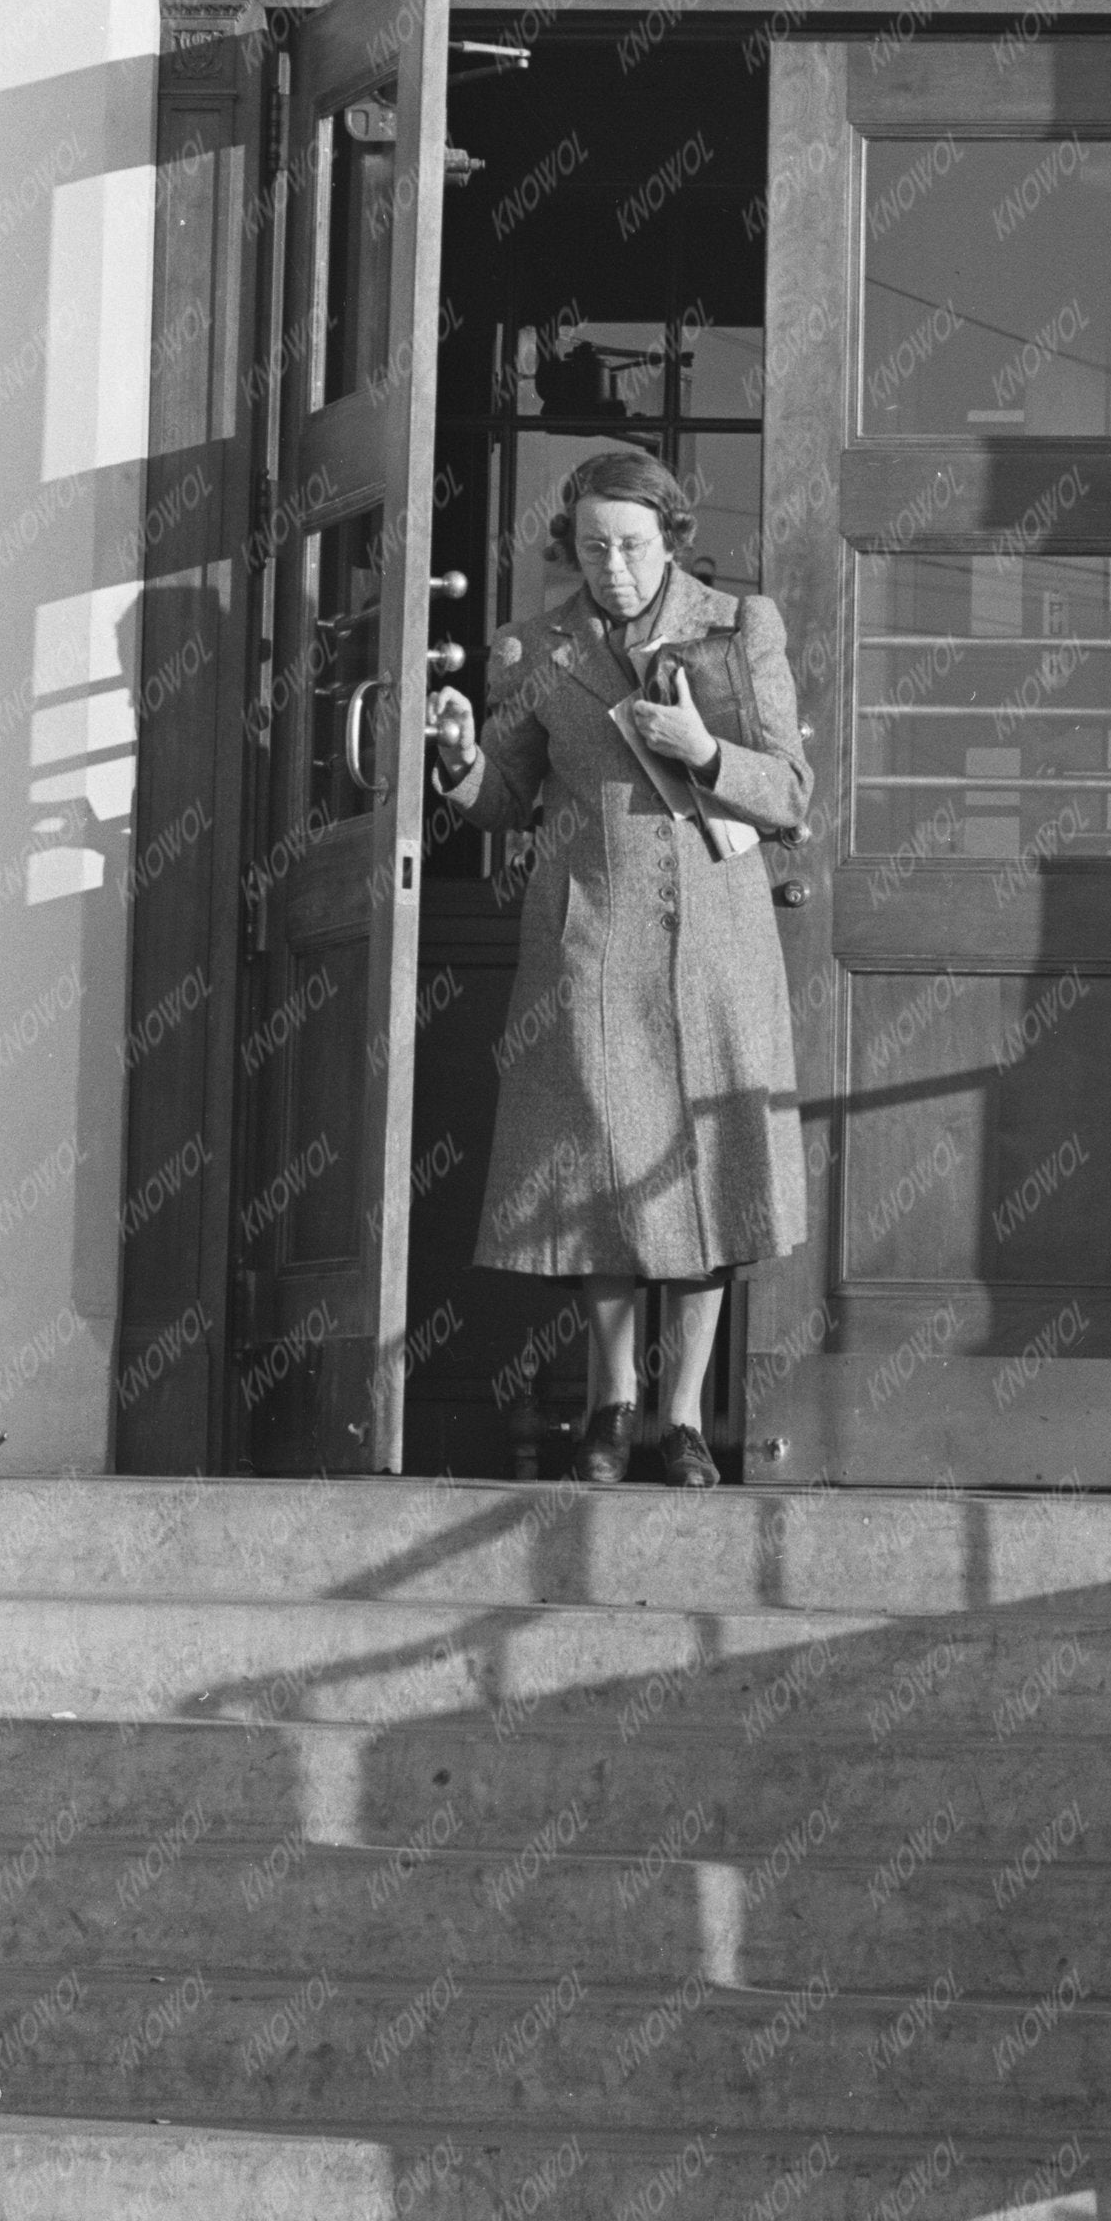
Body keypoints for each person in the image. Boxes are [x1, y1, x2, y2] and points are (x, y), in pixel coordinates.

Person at [425, 442, 810, 1485]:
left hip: (717, 943)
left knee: (708, 1173)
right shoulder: (533, 649)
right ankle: (610, 1406)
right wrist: (459, 756)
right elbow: (504, 794)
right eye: (593, 546)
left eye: (633, 545)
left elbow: (791, 792)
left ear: (672, 536)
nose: (614, 566)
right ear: (570, 546)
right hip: (588, 941)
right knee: (597, 1172)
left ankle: (681, 1421)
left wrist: (703, 748)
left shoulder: (739, 628)